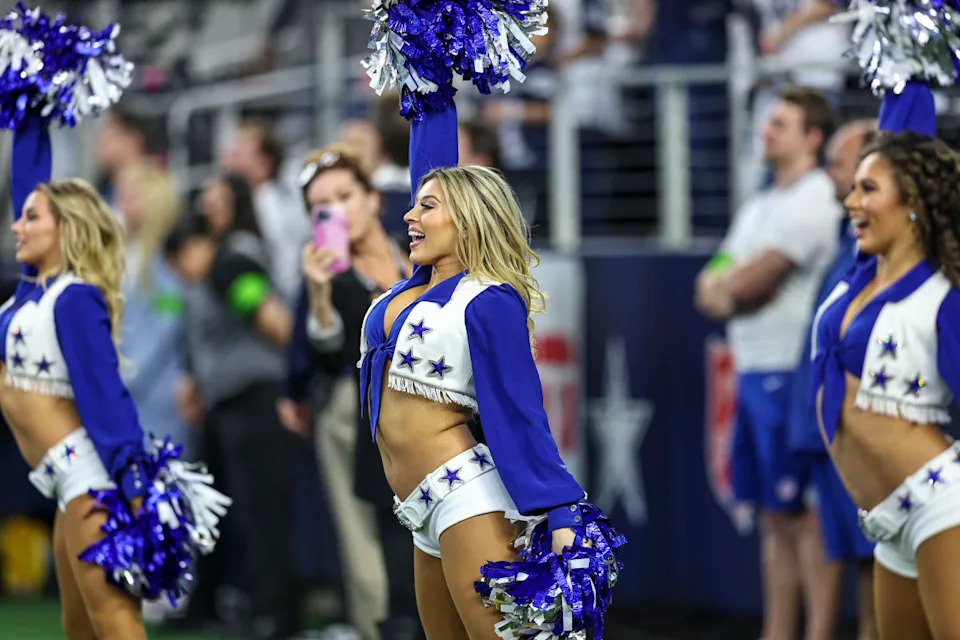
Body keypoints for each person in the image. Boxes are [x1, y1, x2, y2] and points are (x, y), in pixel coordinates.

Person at [0, 119, 227, 639]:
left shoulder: (74, 299)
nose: (17, 225)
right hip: (64, 482)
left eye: (31, 219)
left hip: (91, 481)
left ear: (63, 231)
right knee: (80, 629)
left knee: (116, 626)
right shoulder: (36, 291)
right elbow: (27, 192)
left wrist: (135, 488)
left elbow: (106, 399)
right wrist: (29, 111)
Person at [694, 85, 840, 640]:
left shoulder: (817, 196)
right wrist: (730, 285)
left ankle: (819, 633)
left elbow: (752, 280)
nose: (767, 130)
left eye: (781, 122)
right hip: (752, 367)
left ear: (812, 137)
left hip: (789, 369)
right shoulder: (759, 204)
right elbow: (714, 280)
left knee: (803, 517)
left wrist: (730, 285)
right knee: (772, 519)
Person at [811, 129, 960, 639]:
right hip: (886, 521)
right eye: (852, 186)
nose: (852, 201)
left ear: (913, 201)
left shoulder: (944, 298)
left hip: (941, 504)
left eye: (869, 188)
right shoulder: (858, 278)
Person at [282, 144, 421, 640]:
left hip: (427, 408)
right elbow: (324, 350)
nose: (337, 211)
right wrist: (319, 295)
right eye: (323, 206)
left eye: (345, 195)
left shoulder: (417, 246)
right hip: (352, 405)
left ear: (371, 198)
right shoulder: (327, 273)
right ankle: (377, 628)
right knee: (363, 538)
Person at [170, 174, 301, 639]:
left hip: (255, 394)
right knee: (234, 507)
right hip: (230, 397)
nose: (208, 205)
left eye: (217, 199)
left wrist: (300, 369)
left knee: (261, 509)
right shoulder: (224, 258)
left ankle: (276, 613)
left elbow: (270, 317)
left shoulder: (234, 259)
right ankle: (229, 601)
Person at [788, 119, 879, 639]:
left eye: (843, 167)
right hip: (829, 432)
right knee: (859, 555)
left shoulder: (878, 251)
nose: (832, 176)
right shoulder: (850, 242)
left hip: (862, 432)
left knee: (879, 559)